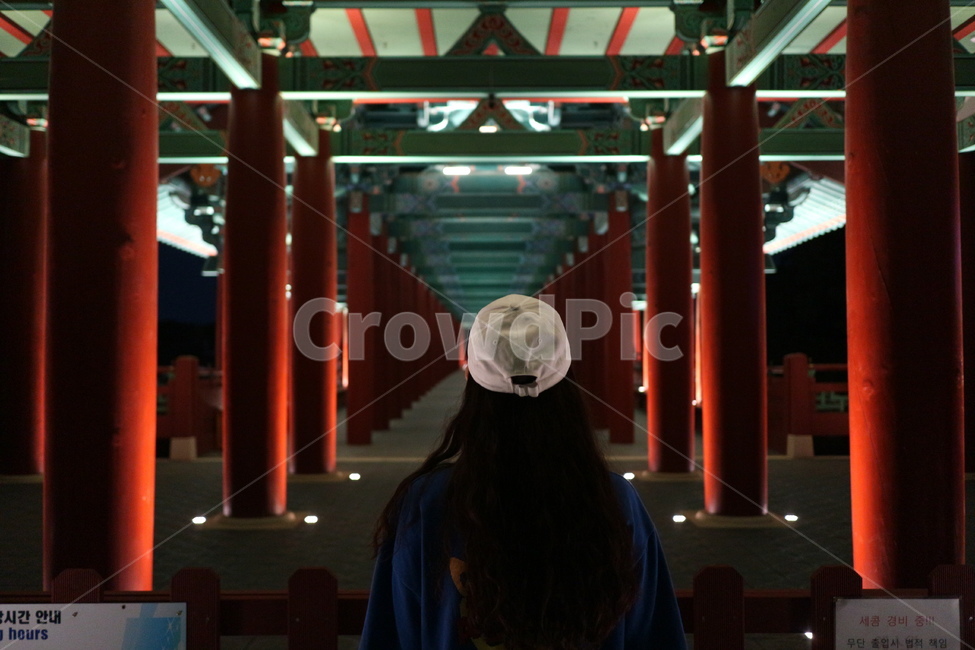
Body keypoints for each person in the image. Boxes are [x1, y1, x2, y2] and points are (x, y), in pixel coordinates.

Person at [360, 294, 686, 649]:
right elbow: (653, 631)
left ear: (472, 383)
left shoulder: (427, 500)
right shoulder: (614, 499)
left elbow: (394, 630)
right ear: (568, 383)